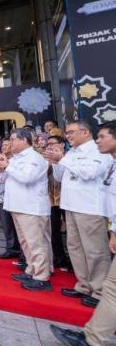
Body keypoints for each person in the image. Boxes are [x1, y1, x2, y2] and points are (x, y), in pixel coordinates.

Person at [50, 121, 116, 346]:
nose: (67, 136)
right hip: (71, 205)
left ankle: (98, 291)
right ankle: (84, 284)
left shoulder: (98, 152)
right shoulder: (73, 152)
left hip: (91, 207)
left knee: (95, 251)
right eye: (66, 133)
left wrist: (64, 158)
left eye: (70, 132)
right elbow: (60, 178)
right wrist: (58, 162)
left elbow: (89, 174)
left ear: (84, 132)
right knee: (76, 248)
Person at [0, 128, 52, 291]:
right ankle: (31, 270)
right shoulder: (15, 158)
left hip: (31, 208)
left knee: (36, 243)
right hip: (17, 206)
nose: (10, 143)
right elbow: (6, 179)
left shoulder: (35, 157)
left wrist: (7, 166)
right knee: (26, 243)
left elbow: (27, 178)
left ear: (24, 140)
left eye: (13, 139)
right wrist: (1, 168)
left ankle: (42, 277)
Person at [46, 135, 70, 269]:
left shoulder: (69, 158)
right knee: (53, 231)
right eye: (47, 144)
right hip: (51, 199)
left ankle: (73, 261)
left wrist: (58, 160)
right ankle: (59, 258)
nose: (49, 146)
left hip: (67, 200)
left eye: (52, 143)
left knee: (71, 232)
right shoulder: (46, 160)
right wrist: (48, 163)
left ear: (61, 145)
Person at [0, 139, 21, 259]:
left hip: (16, 197)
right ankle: (11, 248)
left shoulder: (17, 160)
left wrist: (6, 166)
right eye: (3, 145)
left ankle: (22, 252)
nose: (4, 147)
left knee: (19, 226)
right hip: (2, 196)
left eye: (7, 145)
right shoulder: (0, 160)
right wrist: (0, 169)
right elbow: (0, 179)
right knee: (6, 225)